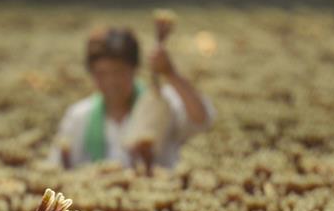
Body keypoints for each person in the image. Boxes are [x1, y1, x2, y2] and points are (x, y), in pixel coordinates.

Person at [52, 26, 216, 170]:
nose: (111, 82)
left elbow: (201, 119)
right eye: (102, 74)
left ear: (134, 69)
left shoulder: (159, 104)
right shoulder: (79, 115)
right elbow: (57, 165)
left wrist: (170, 74)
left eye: (118, 72)